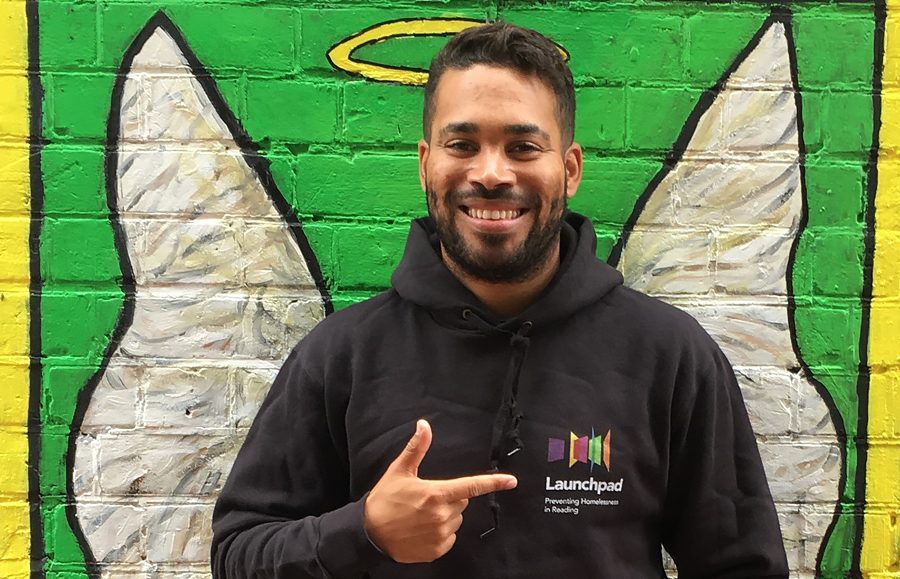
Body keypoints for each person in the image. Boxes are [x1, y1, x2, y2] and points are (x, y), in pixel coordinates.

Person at [211, 21, 789, 578]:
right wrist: (362, 532)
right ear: (425, 164)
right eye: (462, 144)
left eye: (522, 147)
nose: (490, 173)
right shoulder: (343, 356)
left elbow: (741, 565)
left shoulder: (670, 356)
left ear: (569, 169)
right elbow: (237, 554)